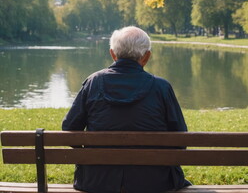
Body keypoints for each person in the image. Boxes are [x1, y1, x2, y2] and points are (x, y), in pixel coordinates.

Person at [62, 26, 191, 193]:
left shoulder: (93, 82)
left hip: (97, 181)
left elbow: (69, 129)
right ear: (146, 57)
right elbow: (180, 140)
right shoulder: (161, 87)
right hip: (153, 182)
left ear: (113, 54)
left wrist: (92, 155)